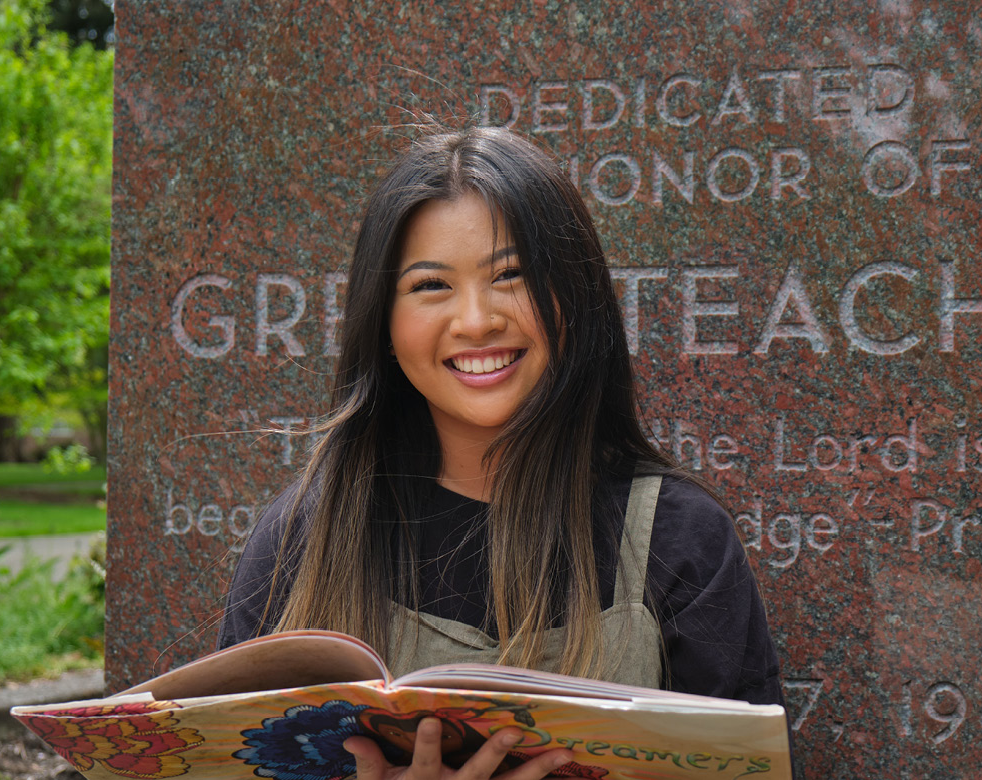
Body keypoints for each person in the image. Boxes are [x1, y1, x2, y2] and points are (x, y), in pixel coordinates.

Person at [217, 126, 784, 780]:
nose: (477, 319)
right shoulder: (301, 542)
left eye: (511, 275)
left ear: (575, 299)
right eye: (431, 286)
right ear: (385, 324)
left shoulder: (680, 542)